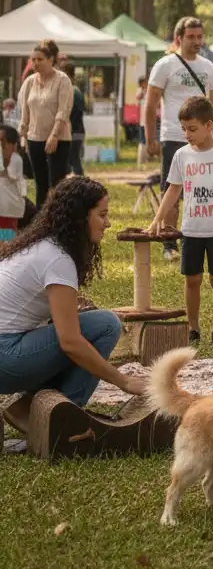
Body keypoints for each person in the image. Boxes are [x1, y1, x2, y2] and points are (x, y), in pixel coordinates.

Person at [0, 176, 148, 432]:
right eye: (102, 215)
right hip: (5, 357)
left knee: (89, 322)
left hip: (7, 349)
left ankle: (27, 407)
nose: (108, 223)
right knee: (105, 325)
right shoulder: (57, 259)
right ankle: (61, 418)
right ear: (81, 217)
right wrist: (123, 381)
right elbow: (70, 342)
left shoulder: (41, 244)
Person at [148, 96, 213, 346]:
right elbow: (172, 190)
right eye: (183, 129)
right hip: (191, 229)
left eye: (192, 129)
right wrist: (157, 219)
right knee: (192, 279)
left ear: (209, 125)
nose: (187, 134)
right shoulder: (181, 155)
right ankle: (193, 328)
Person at [146, 18, 213, 260]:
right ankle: (169, 244)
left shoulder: (208, 67)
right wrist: (150, 137)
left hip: (204, 139)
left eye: (200, 37)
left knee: (202, 191)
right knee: (172, 191)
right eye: (191, 37)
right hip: (173, 136)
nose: (197, 42)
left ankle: (195, 235)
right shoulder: (164, 65)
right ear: (179, 38)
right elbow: (149, 104)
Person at [18, 39, 73, 209]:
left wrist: (54, 136)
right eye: (33, 60)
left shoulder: (62, 80)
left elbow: (63, 111)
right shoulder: (29, 82)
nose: (35, 63)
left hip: (59, 138)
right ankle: (40, 222)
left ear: (51, 60)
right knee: (40, 182)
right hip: (35, 137)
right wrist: (23, 136)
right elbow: (24, 111)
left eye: (40, 59)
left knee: (56, 184)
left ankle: (57, 219)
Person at [0, 126, 26, 240]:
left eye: (3, 142)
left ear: (14, 146)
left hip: (9, 208)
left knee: (6, 237)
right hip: (3, 206)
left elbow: (9, 174)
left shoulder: (16, 159)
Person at [61, 60, 86, 176]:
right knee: (72, 160)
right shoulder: (77, 91)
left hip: (71, 131)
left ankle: (81, 185)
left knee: (73, 161)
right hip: (78, 130)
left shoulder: (70, 91)